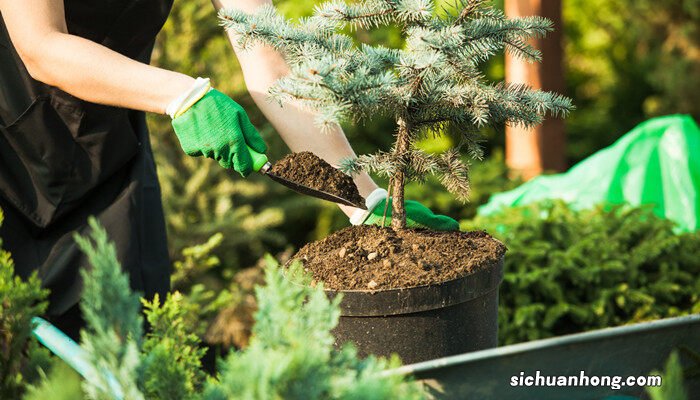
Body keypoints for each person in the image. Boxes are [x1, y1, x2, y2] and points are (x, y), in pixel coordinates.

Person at [0, 0, 458, 338]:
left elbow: (270, 61)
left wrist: (363, 199)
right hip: (9, 149)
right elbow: (41, 45)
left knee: (128, 335)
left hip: (108, 144)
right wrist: (180, 95)